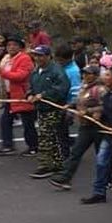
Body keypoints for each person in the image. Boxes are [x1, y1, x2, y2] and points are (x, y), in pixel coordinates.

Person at [26, 46, 71, 179]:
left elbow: (62, 88)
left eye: (40, 56)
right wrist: (29, 94)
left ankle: (45, 166)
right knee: (50, 137)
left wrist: (44, 95)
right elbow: (31, 86)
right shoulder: (36, 70)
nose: (37, 58)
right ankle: (57, 164)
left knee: (46, 138)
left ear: (48, 56)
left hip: (54, 109)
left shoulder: (57, 71)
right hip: (41, 109)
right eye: (36, 55)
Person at [0, 36, 38, 156]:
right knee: (5, 120)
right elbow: (0, 72)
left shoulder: (24, 58)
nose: (11, 47)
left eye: (14, 45)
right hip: (10, 94)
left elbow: (21, 76)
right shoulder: (7, 59)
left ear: (20, 47)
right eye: (9, 45)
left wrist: (2, 72)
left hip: (23, 94)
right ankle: (8, 145)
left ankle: (33, 146)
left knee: (28, 122)